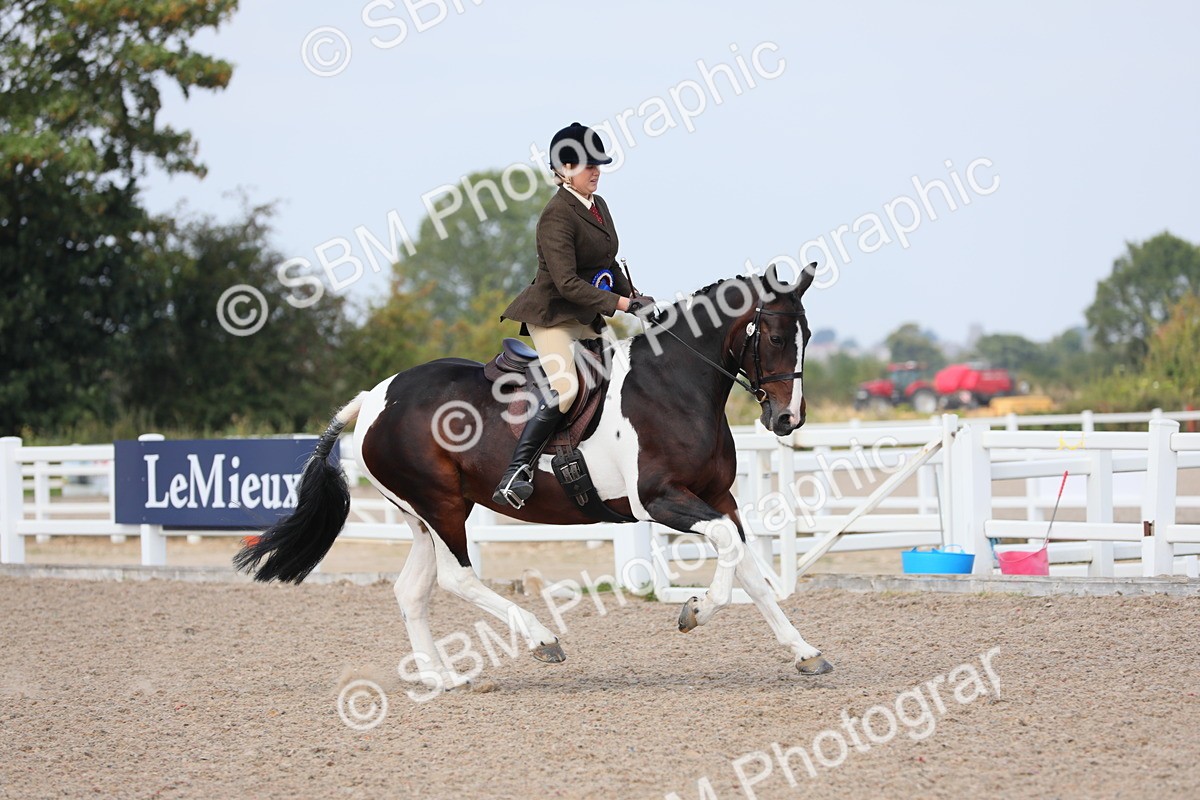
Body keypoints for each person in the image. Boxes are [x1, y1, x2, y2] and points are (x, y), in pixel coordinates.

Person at [492, 122, 655, 509]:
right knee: (566, 389)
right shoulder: (556, 216)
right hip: (553, 317)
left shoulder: (598, 206)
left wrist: (633, 295)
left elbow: (607, 263)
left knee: (621, 377)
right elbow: (566, 284)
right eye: (588, 165)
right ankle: (517, 471)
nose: (596, 171)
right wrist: (621, 306)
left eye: (598, 165)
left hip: (585, 317)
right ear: (565, 170)